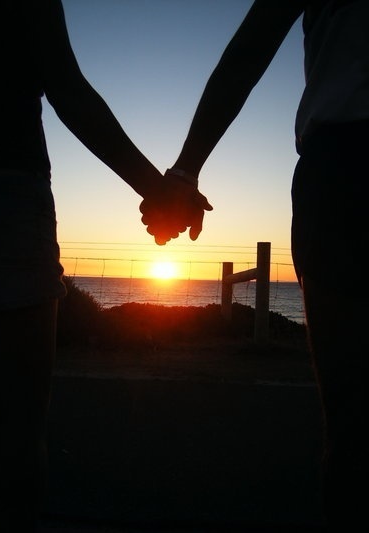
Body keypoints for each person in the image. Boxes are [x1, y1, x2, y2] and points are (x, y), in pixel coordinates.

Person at [0, 1, 211, 531]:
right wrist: (159, 189)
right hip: (7, 192)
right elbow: (68, 92)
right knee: (19, 425)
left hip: (8, 198)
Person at [142, 0, 368, 530]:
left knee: (353, 423)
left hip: (341, 164)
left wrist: (184, 172)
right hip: (341, 169)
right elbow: (250, 47)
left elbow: (250, 48)